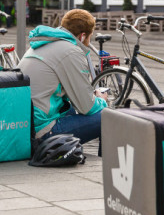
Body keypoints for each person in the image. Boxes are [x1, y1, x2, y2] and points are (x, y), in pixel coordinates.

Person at [17, 9, 108, 143]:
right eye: (90, 36)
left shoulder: (43, 42)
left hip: (23, 125)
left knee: (70, 109)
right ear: (82, 36)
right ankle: (106, 163)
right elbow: (87, 107)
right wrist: (102, 100)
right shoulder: (71, 51)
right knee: (107, 117)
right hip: (41, 131)